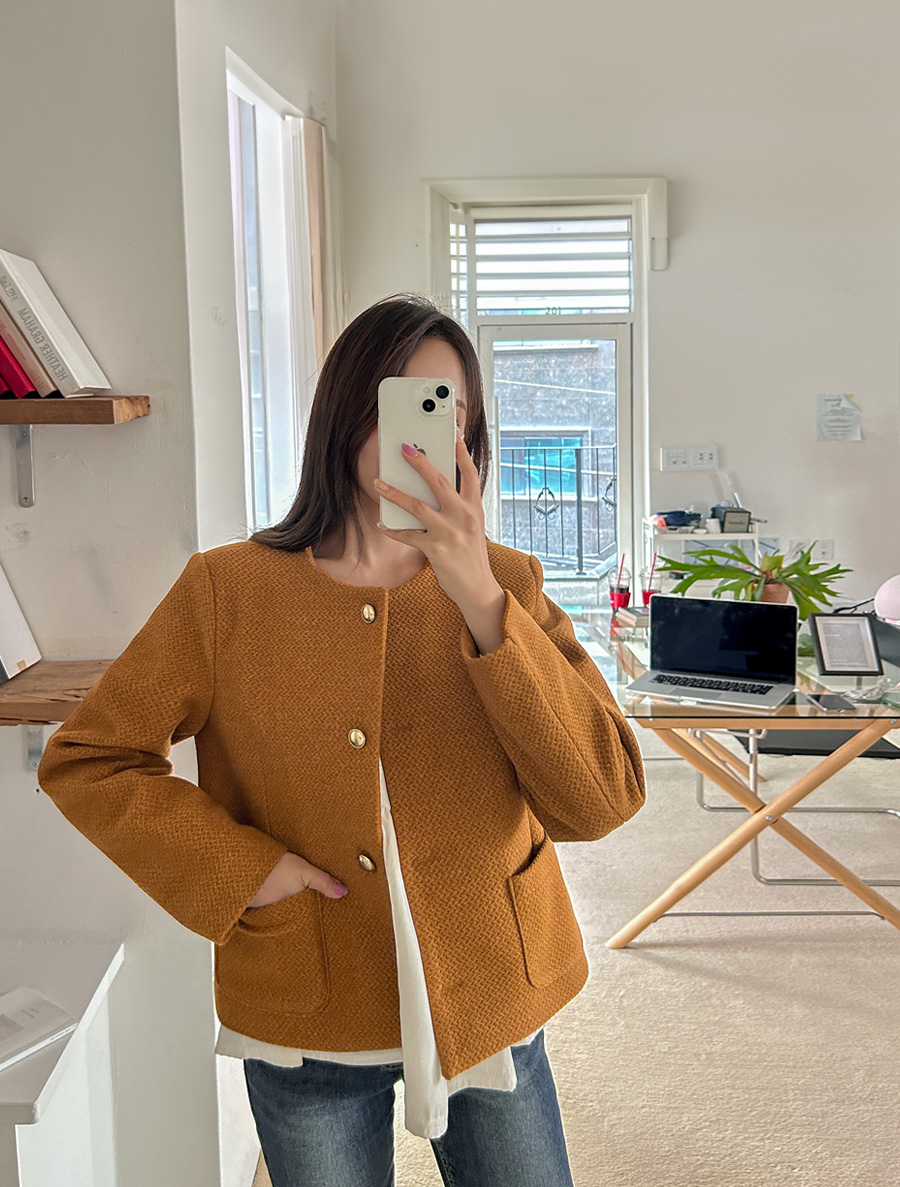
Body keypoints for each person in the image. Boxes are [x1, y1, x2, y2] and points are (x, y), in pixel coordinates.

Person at [38, 294, 646, 1187]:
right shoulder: (228, 592)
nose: (425, 433)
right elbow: (89, 757)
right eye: (405, 400)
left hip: (489, 981)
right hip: (307, 994)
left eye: (449, 411)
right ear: (346, 410)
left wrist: (482, 603)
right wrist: (246, 871)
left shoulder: (505, 584)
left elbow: (602, 798)